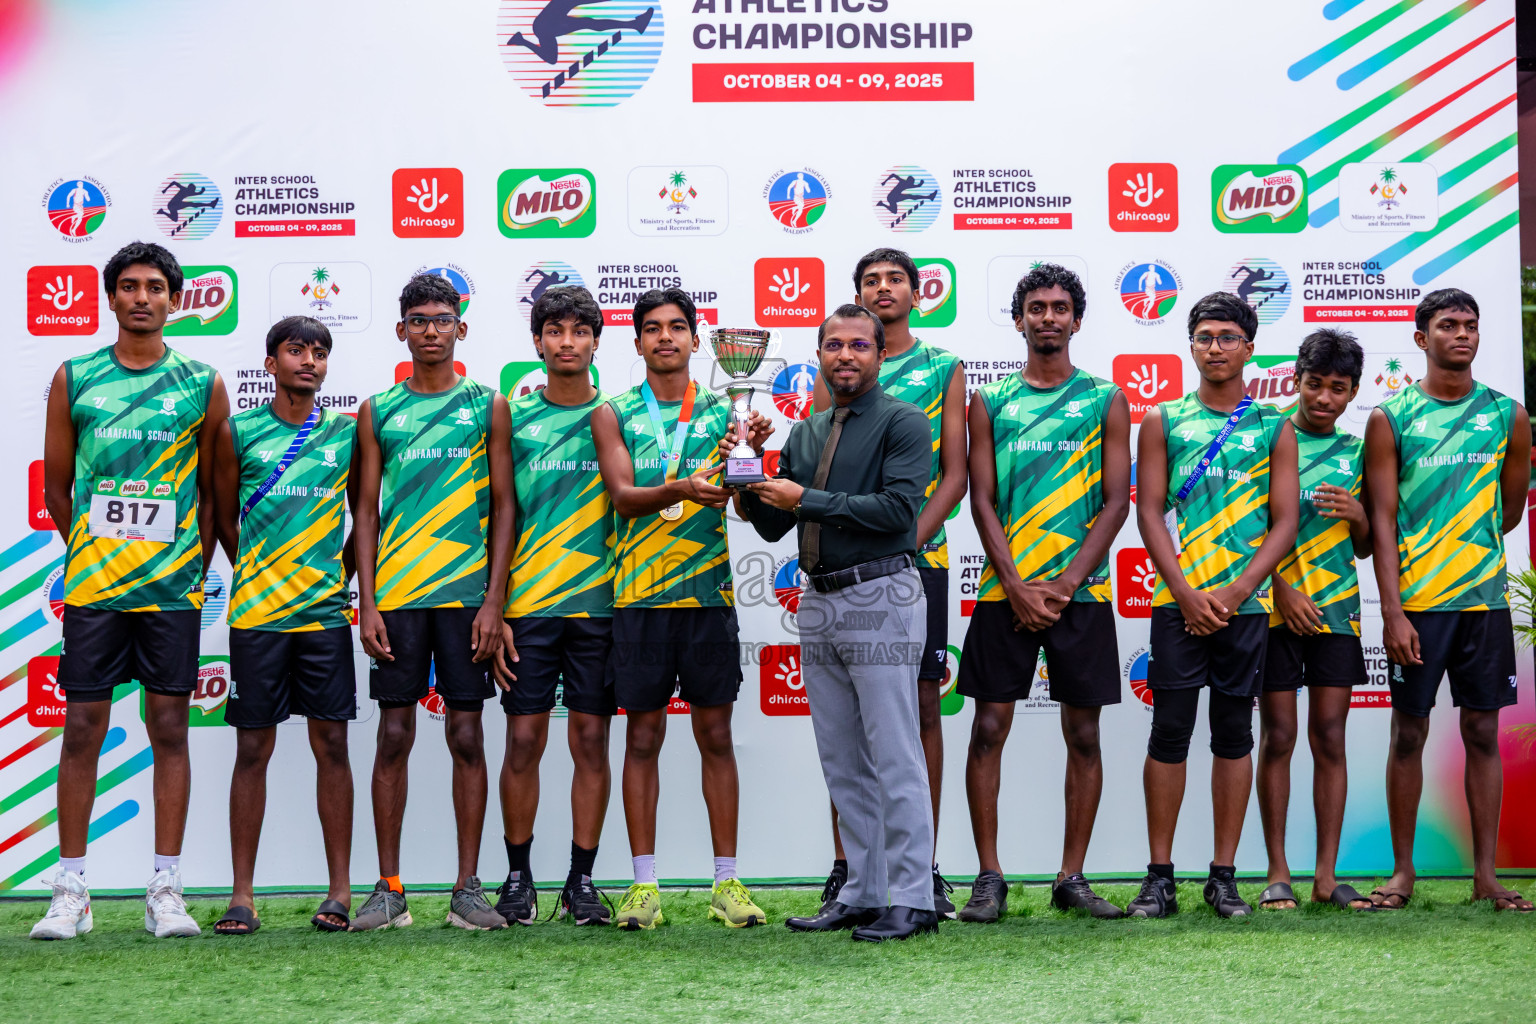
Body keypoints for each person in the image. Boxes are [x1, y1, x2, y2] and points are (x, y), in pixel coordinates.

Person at [32, 241, 229, 940]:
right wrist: (92, 552)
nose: (141, 297)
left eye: (154, 287)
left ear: (175, 299)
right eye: (128, 286)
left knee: (170, 728)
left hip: (171, 592)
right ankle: (71, 889)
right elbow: (57, 488)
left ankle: (165, 889)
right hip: (95, 590)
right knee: (82, 728)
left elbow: (213, 495)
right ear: (110, 296)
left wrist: (189, 564)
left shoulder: (202, 382)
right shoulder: (75, 376)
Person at [741, 304, 936, 941]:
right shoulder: (805, 432)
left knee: (894, 751)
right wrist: (748, 470)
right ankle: (863, 891)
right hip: (818, 599)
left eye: (858, 345)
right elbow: (774, 525)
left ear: (879, 354)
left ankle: (915, 898)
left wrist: (807, 498)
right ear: (819, 355)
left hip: (881, 593)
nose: (845, 355)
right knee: (842, 758)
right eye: (833, 345)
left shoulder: (904, 421)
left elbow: (898, 511)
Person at [956, 264, 1130, 923]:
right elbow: (981, 499)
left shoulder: (1105, 398)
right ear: (1019, 319)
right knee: (987, 728)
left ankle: (1071, 877)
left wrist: (1063, 583)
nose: (1048, 317)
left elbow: (1116, 503)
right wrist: (1015, 585)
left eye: (1060, 307)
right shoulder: (991, 401)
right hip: (1004, 593)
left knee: (1083, 733)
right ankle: (989, 878)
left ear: (1077, 320)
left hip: (1080, 594)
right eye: (1037, 307)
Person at [591, 287, 769, 930]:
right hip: (638, 599)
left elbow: (744, 503)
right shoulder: (613, 413)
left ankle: (727, 882)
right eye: (652, 328)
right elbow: (622, 495)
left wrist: (748, 462)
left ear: (696, 339)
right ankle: (645, 886)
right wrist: (684, 488)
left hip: (706, 597)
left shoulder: (728, 410)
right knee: (643, 738)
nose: (664, 337)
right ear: (637, 341)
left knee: (716, 736)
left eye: (676, 327)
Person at [351, 273, 513, 931]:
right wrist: (367, 603)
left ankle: (467, 890)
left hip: (466, 599)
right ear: (401, 330)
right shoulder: (378, 409)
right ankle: (389, 888)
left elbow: (505, 506)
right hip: (398, 596)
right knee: (393, 733)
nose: (431, 331)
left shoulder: (487, 405)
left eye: (443, 319)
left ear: (460, 329)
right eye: (418, 320)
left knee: (467, 733)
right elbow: (364, 510)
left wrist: (493, 602)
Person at [1128, 291, 1298, 919]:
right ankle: (1159, 878)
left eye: (1228, 337)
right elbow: (1148, 512)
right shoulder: (1163, 420)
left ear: (1250, 347)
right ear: (1191, 346)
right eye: (1204, 337)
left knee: (1233, 734)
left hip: (1244, 608)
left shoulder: (1274, 426)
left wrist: (1236, 591)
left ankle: (1223, 877)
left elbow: (1285, 523)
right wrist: (1184, 592)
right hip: (1177, 604)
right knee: (1169, 732)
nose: (1215, 347)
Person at [1365, 288, 1533, 912]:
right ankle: (1402, 873)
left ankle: (1486, 876)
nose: (1461, 334)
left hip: (1484, 603)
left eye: (1470, 325)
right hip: (1418, 605)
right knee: (1408, 733)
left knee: (1483, 731)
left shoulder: (1508, 415)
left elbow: (1508, 512)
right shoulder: (1392, 417)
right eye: (1447, 325)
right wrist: (1393, 611)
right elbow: (1381, 521)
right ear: (1421, 338)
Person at [811, 247, 966, 917]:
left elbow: (948, 478)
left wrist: (905, 541)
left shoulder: (935, 376)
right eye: (870, 280)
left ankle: (918, 880)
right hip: (834, 580)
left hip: (904, 567)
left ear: (915, 293)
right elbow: (810, 472)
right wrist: (748, 478)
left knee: (911, 724)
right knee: (845, 744)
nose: (883, 288)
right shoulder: (830, 386)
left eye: (895, 279)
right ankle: (856, 879)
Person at [211, 316, 358, 935]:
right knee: (252, 749)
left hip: (325, 617)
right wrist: (256, 570)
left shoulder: (347, 433)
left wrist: (341, 573)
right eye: (296, 350)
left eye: (319, 352)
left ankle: (339, 891)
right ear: (271, 363)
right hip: (257, 617)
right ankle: (242, 895)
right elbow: (221, 516)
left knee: (333, 747)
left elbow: (366, 518)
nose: (309, 361)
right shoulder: (237, 431)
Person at [491, 286, 617, 927]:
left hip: (602, 605)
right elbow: (500, 514)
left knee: (591, 740)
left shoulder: (619, 416)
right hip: (529, 605)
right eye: (554, 331)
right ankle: (518, 879)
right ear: (537, 341)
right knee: (523, 740)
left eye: (579, 331)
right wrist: (495, 606)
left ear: (596, 340)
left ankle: (581, 881)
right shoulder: (512, 417)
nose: (567, 342)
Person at [1255, 329, 1374, 912]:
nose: (1325, 398)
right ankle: (1278, 872)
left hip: (1339, 613)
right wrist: (1280, 592)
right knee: (1278, 736)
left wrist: (1358, 515)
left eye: (1338, 388)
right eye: (1315, 384)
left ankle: (1327, 877)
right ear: (1296, 379)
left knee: (1330, 736)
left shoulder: (1359, 450)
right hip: (1272, 613)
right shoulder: (1267, 438)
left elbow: (1370, 544)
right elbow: (1241, 530)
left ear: (1353, 392)